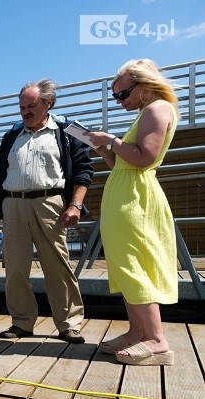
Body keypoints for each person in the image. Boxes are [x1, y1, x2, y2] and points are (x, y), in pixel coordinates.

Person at [86, 60, 178, 366]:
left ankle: (156, 341)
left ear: (143, 85)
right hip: (126, 195)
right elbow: (124, 164)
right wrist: (104, 149)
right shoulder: (146, 112)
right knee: (125, 264)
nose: (120, 101)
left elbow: (144, 158)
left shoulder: (156, 109)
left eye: (123, 94)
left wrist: (112, 140)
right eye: (116, 97)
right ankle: (137, 332)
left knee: (135, 263)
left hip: (135, 199)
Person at [0, 79, 94, 344]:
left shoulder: (66, 131)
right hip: (12, 203)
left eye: (31, 105)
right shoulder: (12, 134)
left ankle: (69, 323)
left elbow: (83, 171)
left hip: (50, 203)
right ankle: (22, 322)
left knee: (57, 265)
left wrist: (75, 205)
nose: (25, 112)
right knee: (14, 268)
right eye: (21, 106)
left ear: (48, 103)